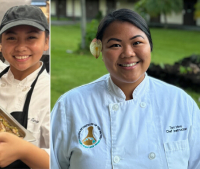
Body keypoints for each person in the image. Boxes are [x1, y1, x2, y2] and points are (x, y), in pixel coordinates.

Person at [51, 8, 200, 169]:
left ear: (150, 46)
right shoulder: (71, 106)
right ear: (100, 51)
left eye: (137, 42)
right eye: (115, 45)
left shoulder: (180, 103)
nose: (128, 53)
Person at [0, 5, 50, 169]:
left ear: (46, 42)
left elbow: (62, 160)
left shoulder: (49, 93)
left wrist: (25, 151)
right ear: (1, 44)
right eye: (11, 38)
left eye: (31, 37)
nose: (20, 47)